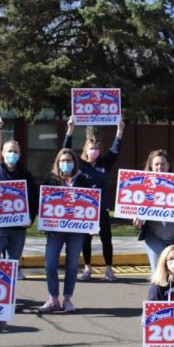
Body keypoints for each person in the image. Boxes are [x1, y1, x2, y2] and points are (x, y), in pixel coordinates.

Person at [63, 116, 124, 281]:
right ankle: (87, 268)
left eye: (97, 148)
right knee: (86, 241)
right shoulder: (79, 165)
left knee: (106, 240)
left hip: (102, 209)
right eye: (91, 148)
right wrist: (71, 129)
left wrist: (120, 130)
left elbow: (115, 151)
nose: (94, 151)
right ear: (85, 149)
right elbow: (65, 151)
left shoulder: (104, 164)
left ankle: (109, 270)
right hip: (85, 210)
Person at [37, 148, 95, 314]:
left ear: (75, 163)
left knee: (71, 265)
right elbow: (43, 202)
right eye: (62, 161)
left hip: (77, 230)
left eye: (69, 161)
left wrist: (91, 224)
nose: (66, 163)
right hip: (55, 229)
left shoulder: (83, 179)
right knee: (50, 263)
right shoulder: (50, 179)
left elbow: (92, 202)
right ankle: (53, 299)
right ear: (57, 162)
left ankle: (67, 299)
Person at [133, 149, 174, 273]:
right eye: (156, 164)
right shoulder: (142, 183)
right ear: (151, 166)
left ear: (169, 165)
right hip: (154, 238)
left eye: (163, 164)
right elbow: (135, 208)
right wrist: (138, 219)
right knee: (159, 275)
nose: (159, 167)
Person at [0, 140, 39, 276]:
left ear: (19, 154)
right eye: (9, 151)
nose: (12, 154)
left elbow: (33, 199)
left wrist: (31, 218)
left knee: (11, 269)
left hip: (18, 228)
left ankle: (9, 294)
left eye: (16, 152)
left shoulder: (26, 175)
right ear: (2, 153)